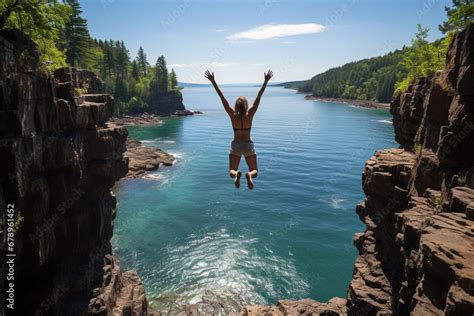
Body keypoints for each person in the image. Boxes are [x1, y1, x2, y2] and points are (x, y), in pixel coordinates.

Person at [204, 69, 273, 189]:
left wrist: (213, 81)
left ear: (236, 105)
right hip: (248, 145)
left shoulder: (232, 114)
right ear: (246, 105)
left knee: (231, 170)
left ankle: (236, 175)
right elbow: (259, 96)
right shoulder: (250, 114)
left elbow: (221, 96)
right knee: (254, 170)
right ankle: (249, 175)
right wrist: (266, 81)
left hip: (235, 145)